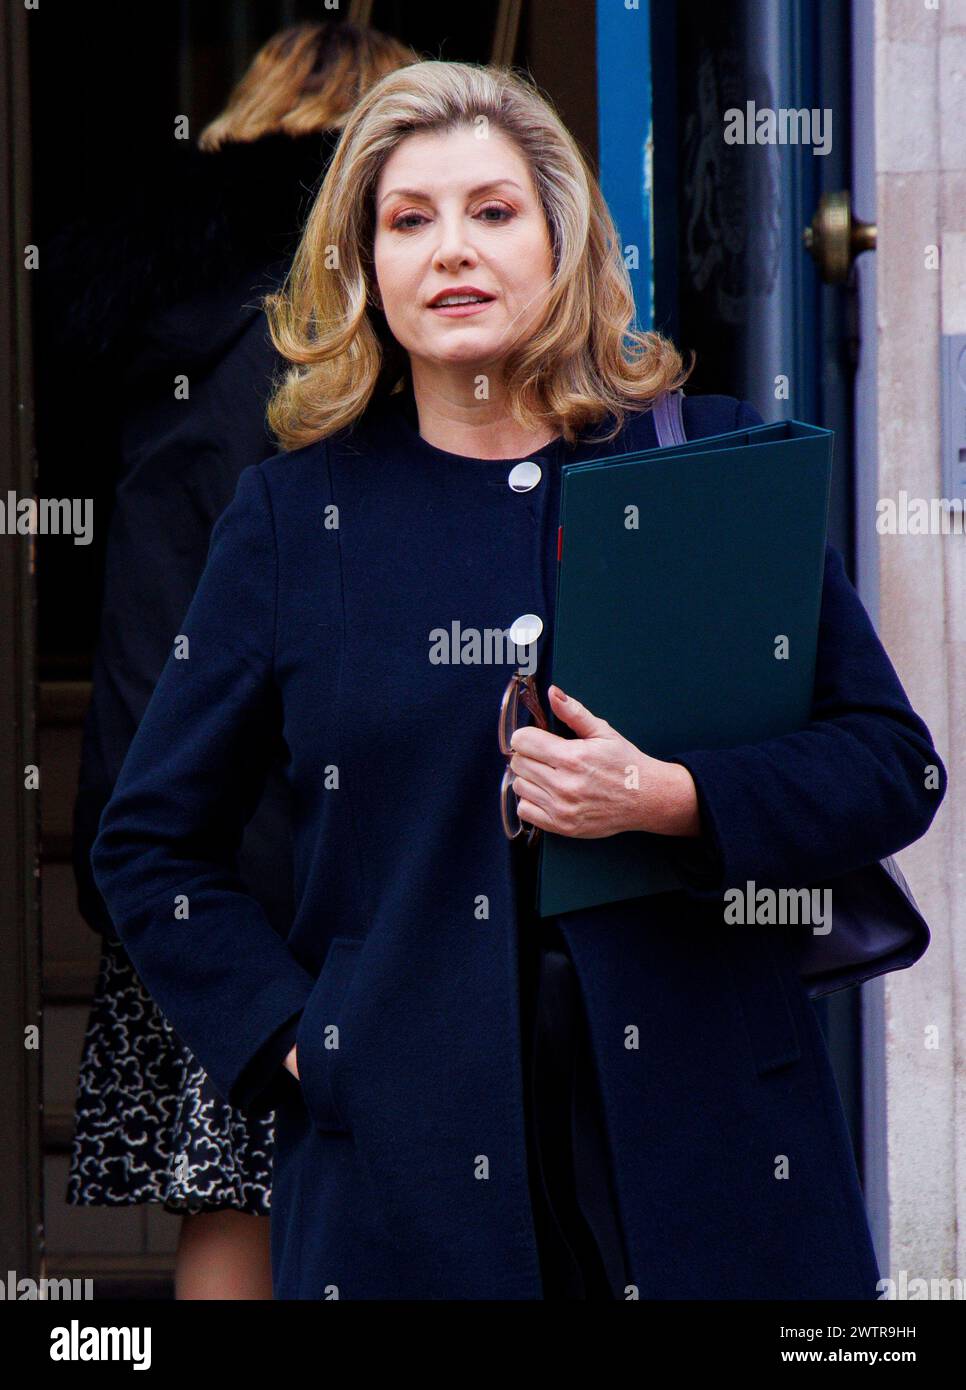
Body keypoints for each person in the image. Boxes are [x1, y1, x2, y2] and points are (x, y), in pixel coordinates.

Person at [90, 60, 947, 1300]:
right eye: (408, 219)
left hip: (711, 1151)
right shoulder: (292, 517)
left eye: (493, 211)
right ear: (363, 266)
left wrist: (668, 797)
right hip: (405, 1175)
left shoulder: (702, 463)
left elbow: (891, 764)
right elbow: (150, 845)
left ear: (563, 241)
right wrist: (298, 1042)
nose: (452, 250)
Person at [59, 20, 417, 1300]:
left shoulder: (177, 356)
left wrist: (144, 885)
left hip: (203, 876)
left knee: (230, 1207)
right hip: (327, 882)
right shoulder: (353, 357)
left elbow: (141, 660)